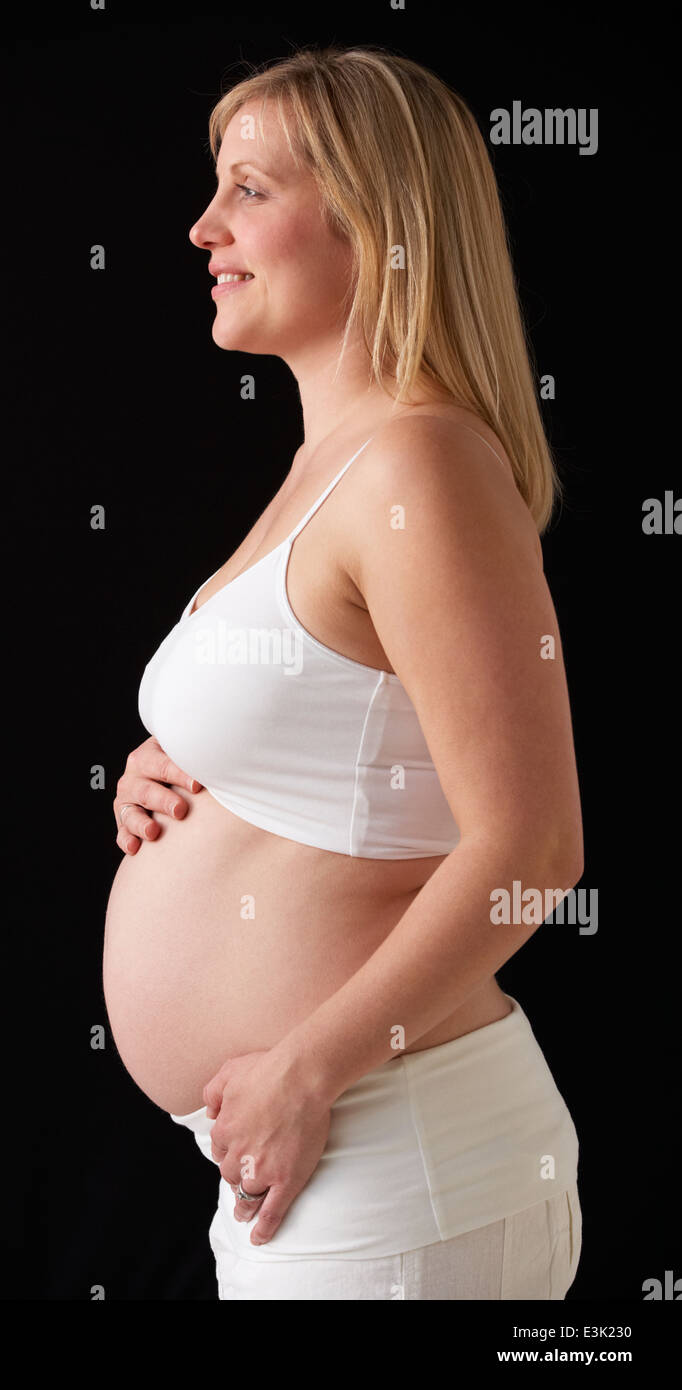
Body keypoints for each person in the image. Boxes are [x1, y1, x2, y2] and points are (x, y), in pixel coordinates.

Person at [102, 43, 584, 1300]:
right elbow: (350, 730)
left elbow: (530, 850)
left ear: (379, 221)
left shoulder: (417, 465)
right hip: (313, 1163)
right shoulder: (334, 465)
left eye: (249, 190)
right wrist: (179, 772)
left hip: (389, 1149)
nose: (205, 226)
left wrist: (308, 1066)